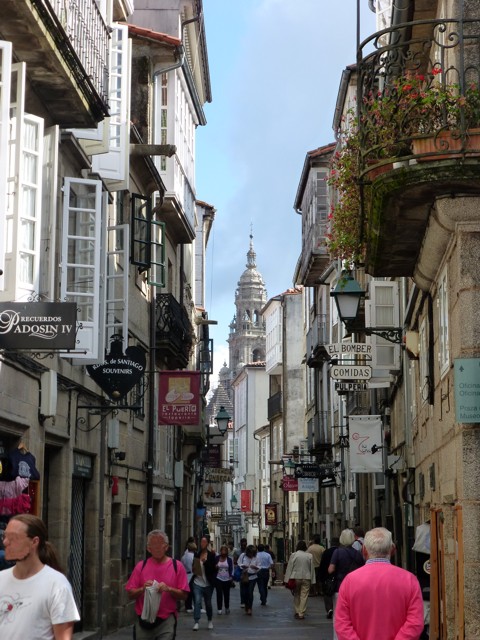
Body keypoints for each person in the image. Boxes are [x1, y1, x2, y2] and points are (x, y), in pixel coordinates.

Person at [334, 527, 425, 640]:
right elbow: (415, 622)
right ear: (392, 550)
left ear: (364, 550)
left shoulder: (349, 581)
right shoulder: (409, 580)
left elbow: (342, 624)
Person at [0, 514, 80, 640]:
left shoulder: (57, 585)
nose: (5, 542)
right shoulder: (1, 579)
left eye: (13, 538)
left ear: (34, 542)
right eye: (5, 536)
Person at [126, 530, 189, 640]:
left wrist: (168, 589)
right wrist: (142, 589)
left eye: (161, 544)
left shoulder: (177, 566)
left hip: (166, 620)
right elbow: (130, 594)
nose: (157, 548)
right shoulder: (141, 566)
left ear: (166, 547)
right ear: (148, 548)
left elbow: (184, 595)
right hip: (143, 620)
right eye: (153, 545)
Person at [328, 529, 365, 639]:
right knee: (353, 615)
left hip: (340, 587)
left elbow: (331, 569)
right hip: (355, 588)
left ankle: (338, 637)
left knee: (338, 615)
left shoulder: (338, 552)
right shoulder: (358, 554)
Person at [284, 539, 316, 620]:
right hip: (307, 577)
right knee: (304, 595)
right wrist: (313, 580)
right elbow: (312, 568)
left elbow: (289, 568)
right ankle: (301, 613)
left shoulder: (294, 555)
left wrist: (286, 580)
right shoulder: (309, 556)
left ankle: (297, 611)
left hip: (296, 577)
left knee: (296, 594)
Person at [191, 536, 217, 630]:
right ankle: (196, 622)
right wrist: (194, 567)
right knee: (197, 602)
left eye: (204, 542)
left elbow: (213, 569)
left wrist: (205, 562)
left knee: (208, 603)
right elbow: (193, 567)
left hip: (208, 584)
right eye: (201, 541)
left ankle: (209, 620)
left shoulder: (211, 555)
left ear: (207, 543)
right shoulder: (197, 554)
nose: (202, 543)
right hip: (197, 582)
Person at [318, 536, 339, 619]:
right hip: (338, 576)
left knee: (327, 594)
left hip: (328, 577)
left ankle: (329, 609)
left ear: (331, 543)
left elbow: (322, 565)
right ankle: (336, 609)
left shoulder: (326, 552)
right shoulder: (341, 552)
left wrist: (321, 577)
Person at [237, 544, 259, 615]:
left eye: (252, 553)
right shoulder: (243, 556)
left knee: (250, 592)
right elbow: (239, 563)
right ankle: (247, 605)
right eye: (250, 553)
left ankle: (250, 608)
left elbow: (260, 566)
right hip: (245, 576)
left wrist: (256, 568)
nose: (251, 555)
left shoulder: (256, 557)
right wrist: (242, 567)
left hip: (253, 577)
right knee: (244, 593)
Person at [214, 544, 233, 614]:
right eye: (222, 550)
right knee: (219, 594)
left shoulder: (229, 559)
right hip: (218, 578)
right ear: (220, 551)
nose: (223, 552)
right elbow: (214, 567)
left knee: (226, 594)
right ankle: (219, 608)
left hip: (227, 579)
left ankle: (227, 607)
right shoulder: (217, 558)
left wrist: (231, 576)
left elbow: (231, 568)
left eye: (225, 550)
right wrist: (216, 566)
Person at [180, 539, 197, 613]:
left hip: (186, 575)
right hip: (193, 575)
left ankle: (188, 606)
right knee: (194, 592)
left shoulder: (184, 556)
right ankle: (192, 606)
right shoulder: (194, 557)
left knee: (188, 592)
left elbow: (181, 565)